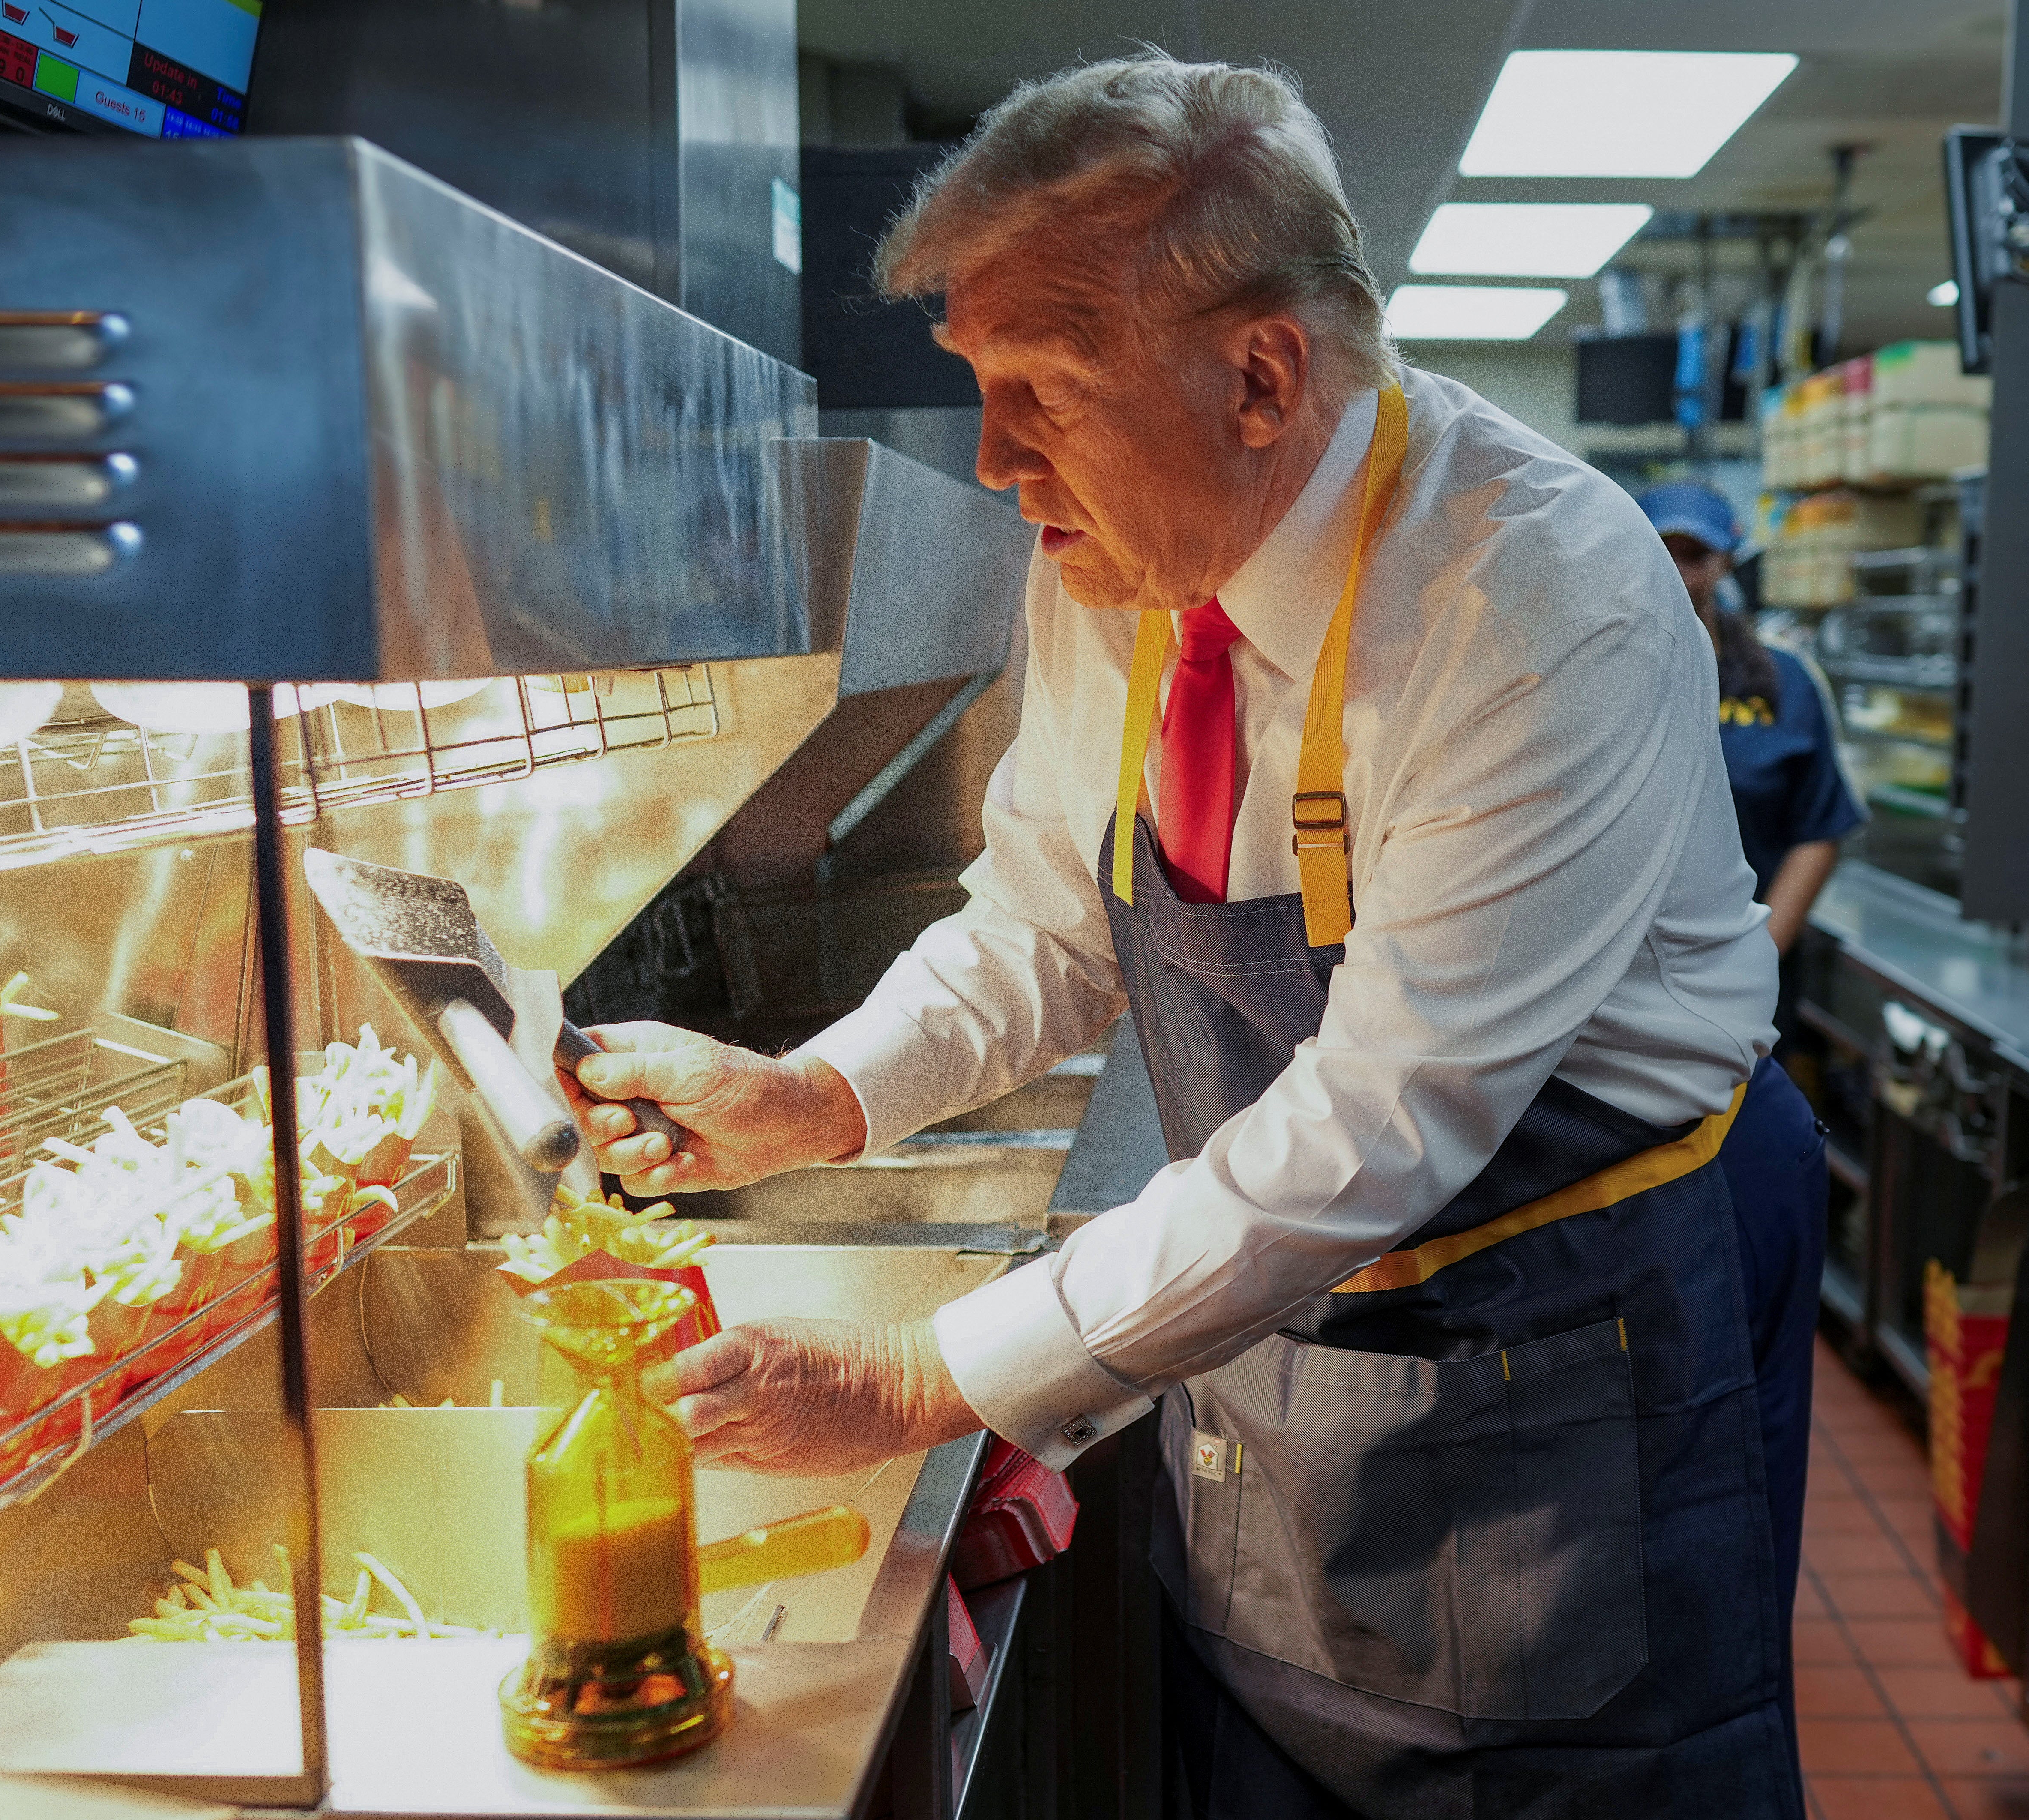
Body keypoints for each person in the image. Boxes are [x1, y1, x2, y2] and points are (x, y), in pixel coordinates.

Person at [557, 56, 1824, 1819]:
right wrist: (811, 1097)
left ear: (1261, 375)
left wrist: (928, 1373)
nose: (997, 463)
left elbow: (1388, 1122)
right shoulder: (1119, 561)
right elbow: (1042, 924)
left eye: (1044, 395)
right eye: (978, 391)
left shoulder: (1535, 598)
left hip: (1579, 1314)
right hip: (1297, 1328)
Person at [1641, 480, 1865, 999]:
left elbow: (1818, 829)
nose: (1678, 572)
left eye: (1695, 555)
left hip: (1750, 976)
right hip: (1619, 982)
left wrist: (1756, 962)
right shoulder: (1602, 675)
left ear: (1725, 562)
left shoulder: (1786, 681)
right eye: (1660, 552)